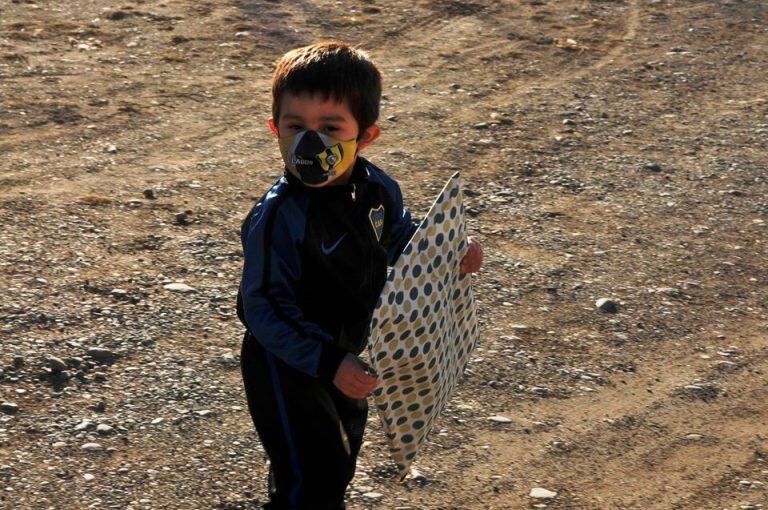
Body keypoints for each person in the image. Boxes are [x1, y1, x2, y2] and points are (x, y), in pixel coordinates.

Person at [237, 40, 483, 510]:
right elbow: (262, 305)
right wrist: (327, 362)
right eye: (295, 126)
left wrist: (454, 249)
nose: (311, 143)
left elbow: (404, 240)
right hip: (286, 362)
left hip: (348, 348)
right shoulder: (278, 217)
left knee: (340, 456)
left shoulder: (376, 188)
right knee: (313, 470)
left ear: (365, 136)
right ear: (275, 129)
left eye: (330, 128)